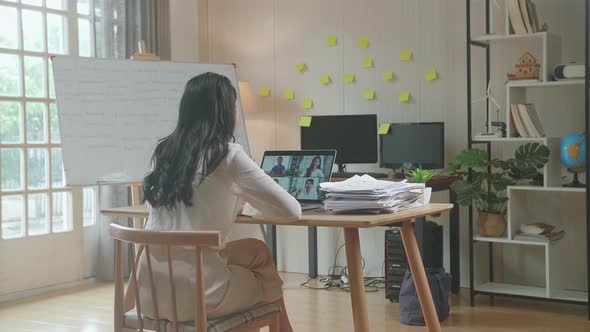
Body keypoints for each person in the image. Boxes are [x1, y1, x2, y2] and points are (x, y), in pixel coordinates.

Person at [139, 72, 300, 331]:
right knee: (266, 285)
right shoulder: (227, 155)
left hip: (149, 295)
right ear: (225, 112)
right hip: (198, 296)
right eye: (234, 106)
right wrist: (249, 204)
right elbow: (292, 210)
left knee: (258, 252)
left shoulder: (163, 152)